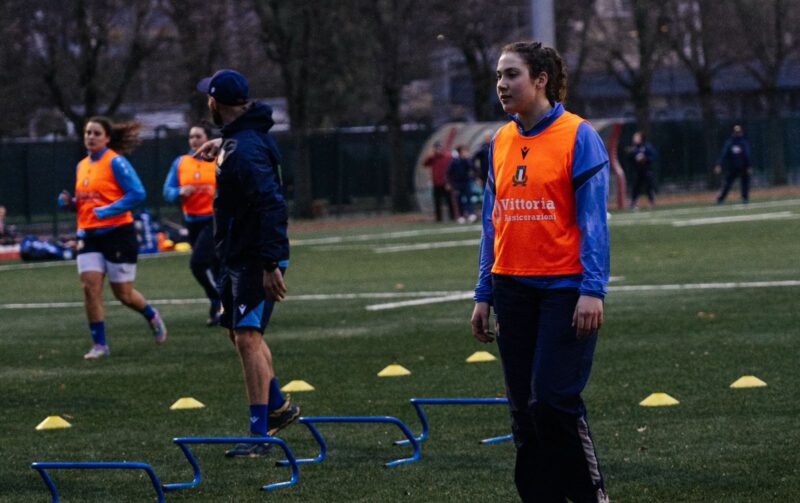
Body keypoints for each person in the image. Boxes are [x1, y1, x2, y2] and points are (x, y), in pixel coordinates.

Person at [470, 41, 610, 502]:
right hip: (511, 288)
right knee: (523, 415)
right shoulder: (500, 141)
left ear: (541, 80)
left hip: (564, 290)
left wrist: (593, 288)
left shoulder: (578, 135)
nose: (502, 85)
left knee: (551, 401)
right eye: (498, 76)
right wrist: (483, 291)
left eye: (512, 75)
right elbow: (493, 222)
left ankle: (592, 496)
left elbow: (593, 221)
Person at [196, 69, 299, 456]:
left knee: (248, 337)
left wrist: (270, 263)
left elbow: (271, 204)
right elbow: (243, 144)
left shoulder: (246, 148)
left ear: (217, 103)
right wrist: (221, 144)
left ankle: (261, 433)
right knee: (239, 333)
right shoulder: (241, 140)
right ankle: (278, 407)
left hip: (256, 256)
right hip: (240, 253)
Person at [58, 117, 167, 359]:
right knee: (89, 287)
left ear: (107, 138)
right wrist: (71, 204)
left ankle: (151, 315)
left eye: (96, 133)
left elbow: (137, 193)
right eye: (88, 132)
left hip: (118, 233)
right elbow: (88, 203)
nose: (91, 137)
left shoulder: (116, 162)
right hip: (89, 235)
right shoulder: (81, 166)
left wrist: (108, 210)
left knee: (123, 293)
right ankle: (100, 345)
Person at [163, 125, 222, 326]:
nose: (194, 140)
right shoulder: (181, 162)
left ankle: (219, 299)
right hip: (192, 221)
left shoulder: (217, 160)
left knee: (198, 263)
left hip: (214, 219)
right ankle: (220, 308)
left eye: (198, 136)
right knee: (214, 265)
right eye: (191, 137)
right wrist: (178, 192)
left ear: (208, 138)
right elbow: (167, 191)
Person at [714, 124, 752, 204]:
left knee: (740, 183)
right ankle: (721, 199)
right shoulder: (736, 142)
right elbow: (724, 155)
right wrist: (719, 164)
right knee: (728, 184)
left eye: (738, 132)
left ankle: (743, 198)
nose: (738, 134)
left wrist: (748, 166)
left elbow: (746, 155)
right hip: (734, 167)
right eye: (737, 132)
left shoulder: (734, 142)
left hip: (739, 166)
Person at [422, 141, 455, 222]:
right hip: (436, 183)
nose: (438, 150)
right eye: (436, 148)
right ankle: (439, 218)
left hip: (446, 183)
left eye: (439, 148)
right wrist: (430, 154)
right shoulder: (432, 158)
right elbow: (424, 164)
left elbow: (452, 168)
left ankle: (453, 217)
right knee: (437, 202)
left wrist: (450, 181)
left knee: (449, 200)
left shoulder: (447, 157)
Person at [446, 145, 477, 223]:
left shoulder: (465, 160)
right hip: (457, 183)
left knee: (469, 198)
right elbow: (448, 173)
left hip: (466, 182)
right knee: (459, 200)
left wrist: (467, 159)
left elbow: (471, 167)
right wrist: (449, 183)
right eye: (463, 151)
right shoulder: (453, 161)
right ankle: (461, 216)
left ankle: (471, 214)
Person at [626, 131, 657, 209]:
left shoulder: (647, 146)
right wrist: (631, 154)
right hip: (637, 170)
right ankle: (633, 203)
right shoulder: (633, 147)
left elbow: (653, 155)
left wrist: (645, 159)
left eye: (636, 137)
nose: (634, 139)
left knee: (649, 186)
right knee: (636, 187)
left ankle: (651, 201)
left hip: (646, 169)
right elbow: (630, 159)